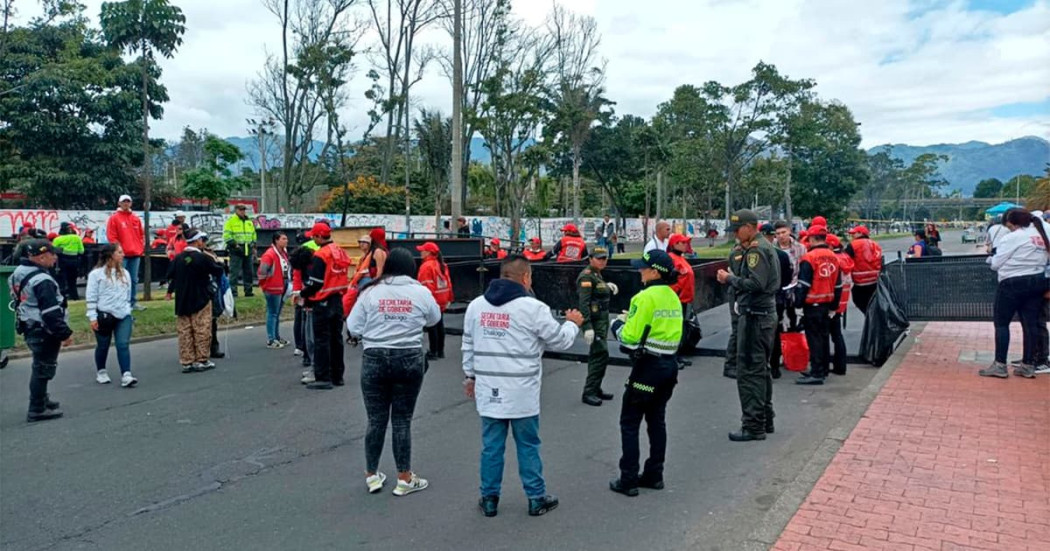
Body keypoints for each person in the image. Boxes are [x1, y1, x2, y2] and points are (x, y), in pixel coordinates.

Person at [462, 256, 583, 518]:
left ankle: (490, 498)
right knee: (528, 445)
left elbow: (468, 344)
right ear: (526, 278)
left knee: (491, 447)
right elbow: (560, 341)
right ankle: (536, 498)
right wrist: (573, 324)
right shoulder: (534, 308)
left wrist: (470, 376)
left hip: (488, 388)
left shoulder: (475, 307)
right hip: (521, 391)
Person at [346, 248, 441, 497]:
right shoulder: (420, 292)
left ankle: (372, 475)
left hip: (374, 357)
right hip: (408, 356)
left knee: (376, 420)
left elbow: (353, 327)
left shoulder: (370, 291)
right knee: (402, 420)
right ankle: (404, 477)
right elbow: (434, 319)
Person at [608, 249, 682, 495]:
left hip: (647, 372)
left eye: (643, 267)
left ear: (653, 272)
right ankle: (654, 474)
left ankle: (628, 479)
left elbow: (629, 339)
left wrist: (617, 324)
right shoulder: (672, 296)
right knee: (656, 420)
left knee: (630, 421)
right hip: (669, 368)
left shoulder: (644, 297)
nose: (639, 270)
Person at [717, 210, 780, 441]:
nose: (735, 234)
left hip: (755, 315)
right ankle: (765, 418)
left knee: (750, 371)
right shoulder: (761, 246)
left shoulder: (756, 250)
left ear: (750, 227)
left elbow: (755, 283)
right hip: (760, 314)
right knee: (760, 368)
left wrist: (729, 279)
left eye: (737, 229)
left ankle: (754, 425)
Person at [980, 208, 1050, 379]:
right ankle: (1028, 364)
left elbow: (996, 263)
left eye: (1010, 226)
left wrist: (990, 258)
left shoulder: (1013, 238)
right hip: (1037, 282)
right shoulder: (1041, 236)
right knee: (1030, 324)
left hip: (1012, 283)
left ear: (1015, 223)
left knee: (1002, 323)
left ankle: (1000, 364)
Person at [11, 239, 73, 422]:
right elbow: (50, 312)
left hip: (29, 324)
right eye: (52, 254)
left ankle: (43, 399)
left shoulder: (19, 272)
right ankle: (37, 408)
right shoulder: (42, 280)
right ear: (40, 257)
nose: (55, 257)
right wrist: (64, 333)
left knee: (40, 365)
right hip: (43, 329)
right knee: (43, 368)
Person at [166, 229, 225, 373]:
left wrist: (170, 290)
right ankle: (201, 359)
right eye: (202, 240)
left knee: (185, 330)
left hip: (182, 299)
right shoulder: (203, 258)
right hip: (201, 297)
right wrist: (218, 261)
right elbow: (218, 270)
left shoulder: (179, 258)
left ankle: (187, 361)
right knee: (202, 329)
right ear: (197, 241)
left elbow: (170, 275)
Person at [300, 222, 351, 390]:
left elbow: (316, 283)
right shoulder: (340, 251)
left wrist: (303, 294)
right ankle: (338, 376)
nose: (313, 240)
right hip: (337, 299)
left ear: (320, 237)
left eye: (314, 236)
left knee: (322, 340)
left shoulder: (321, 255)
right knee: (336, 339)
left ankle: (323, 377)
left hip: (322, 302)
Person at [794, 227, 842, 386]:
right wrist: (834, 306)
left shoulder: (809, 258)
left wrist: (797, 304)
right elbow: (838, 285)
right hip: (827, 303)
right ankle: (823, 369)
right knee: (824, 337)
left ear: (812, 239)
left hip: (812, 304)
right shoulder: (834, 257)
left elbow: (803, 284)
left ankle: (816, 372)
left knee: (814, 339)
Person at [86, 243, 137, 387]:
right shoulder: (96, 274)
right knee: (103, 345)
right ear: (110, 255)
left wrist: (127, 308)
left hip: (123, 314)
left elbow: (128, 294)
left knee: (123, 344)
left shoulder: (125, 273)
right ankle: (101, 371)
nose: (123, 255)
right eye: (119, 252)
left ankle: (126, 374)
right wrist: (92, 316)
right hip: (104, 315)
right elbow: (91, 297)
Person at [577, 247, 618, 406]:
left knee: (599, 355)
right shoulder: (586, 277)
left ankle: (596, 387)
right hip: (594, 322)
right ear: (590, 259)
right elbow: (584, 303)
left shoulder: (596, 275)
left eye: (604, 258)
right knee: (600, 354)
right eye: (599, 258)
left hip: (601, 321)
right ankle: (589, 391)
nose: (603, 261)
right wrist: (587, 327)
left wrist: (607, 286)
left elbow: (598, 290)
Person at [761, 223, 793, 380]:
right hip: (778, 298)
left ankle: (763, 364)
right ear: (773, 236)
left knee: (759, 333)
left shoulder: (756, 254)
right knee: (775, 331)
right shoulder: (782, 255)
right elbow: (787, 278)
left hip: (761, 299)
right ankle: (774, 366)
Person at [106, 194, 145, 310]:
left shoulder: (135, 218)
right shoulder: (114, 218)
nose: (126, 203)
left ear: (131, 203)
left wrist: (140, 248)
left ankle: (132, 302)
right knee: (120, 279)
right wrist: (119, 251)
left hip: (135, 253)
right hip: (122, 255)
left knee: (133, 280)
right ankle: (120, 302)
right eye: (124, 202)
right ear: (119, 203)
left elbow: (141, 235)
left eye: (128, 201)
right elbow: (111, 236)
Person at [416, 242, 453, 360]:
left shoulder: (426, 266)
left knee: (432, 326)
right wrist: (449, 298)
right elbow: (448, 282)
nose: (420, 252)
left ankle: (433, 351)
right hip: (442, 297)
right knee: (440, 324)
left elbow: (426, 286)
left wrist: (426, 301)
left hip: (434, 298)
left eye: (423, 250)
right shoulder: (441, 264)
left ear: (428, 252)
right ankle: (440, 350)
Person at [258, 232, 291, 349]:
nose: (286, 241)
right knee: (272, 313)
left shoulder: (283, 253)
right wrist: (265, 285)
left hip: (282, 286)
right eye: (284, 238)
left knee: (277, 313)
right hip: (273, 288)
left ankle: (276, 336)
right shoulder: (269, 254)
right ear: (276, 240)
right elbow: (262, 272)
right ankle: (271, 339)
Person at [827, 234, 853, 376]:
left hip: (833, 303)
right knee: (837, 336)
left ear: (830, 246)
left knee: (828, 335)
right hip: (842, 302)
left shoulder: (834, 260)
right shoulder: (846, 258)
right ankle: (840, 366)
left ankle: (827, 366)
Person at [667, 234, 695, 369]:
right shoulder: (671, 259)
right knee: (674, 329)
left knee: (680, 329)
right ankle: (672, 357)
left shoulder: (680, 258)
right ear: (675, 244)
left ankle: (677, 355)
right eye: (682, 243)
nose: (685, 245)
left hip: (684, 299)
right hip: (676, 299)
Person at [774, 221, 805, 329]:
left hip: (795, 287)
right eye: (778, 233)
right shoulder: (772, 248)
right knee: (777, 317)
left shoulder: (800, 248)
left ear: (789, 232)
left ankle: (793, 333)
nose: (781, 236)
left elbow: (803, 268)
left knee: (794, 316)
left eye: (783, 232)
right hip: (778, 287)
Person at [845, 225, 883, 313]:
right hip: (875, 279)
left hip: (860, 280)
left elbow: (846, 259)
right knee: (871, 303)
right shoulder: (875, 244)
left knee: (858, 300)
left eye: (854, 234)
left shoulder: (853, 245)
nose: (852, 236)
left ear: (860, 233)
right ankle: (872, 318)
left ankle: (870, 319)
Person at [223, 204, 257, 297]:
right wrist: (235, 245)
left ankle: (248, 291)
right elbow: (226, 236)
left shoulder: (249, 221)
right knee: (234, 272)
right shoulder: (231, 221)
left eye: (244, 210)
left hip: (248, 249)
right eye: (241, 210)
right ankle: (233, 292)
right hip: (236, 250)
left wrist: (253, 245)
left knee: (249, 272)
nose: (243, 212)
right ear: (236, 210)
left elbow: (253, 234)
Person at [53, 222, 84, 300]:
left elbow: (53, 250)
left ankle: (63, 296)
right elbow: (81, 251)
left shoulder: (57, 239)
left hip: (62, 262)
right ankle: (74, 296)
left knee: (62, 280)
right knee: (72, 280)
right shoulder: (77, 238)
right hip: (75, 261)